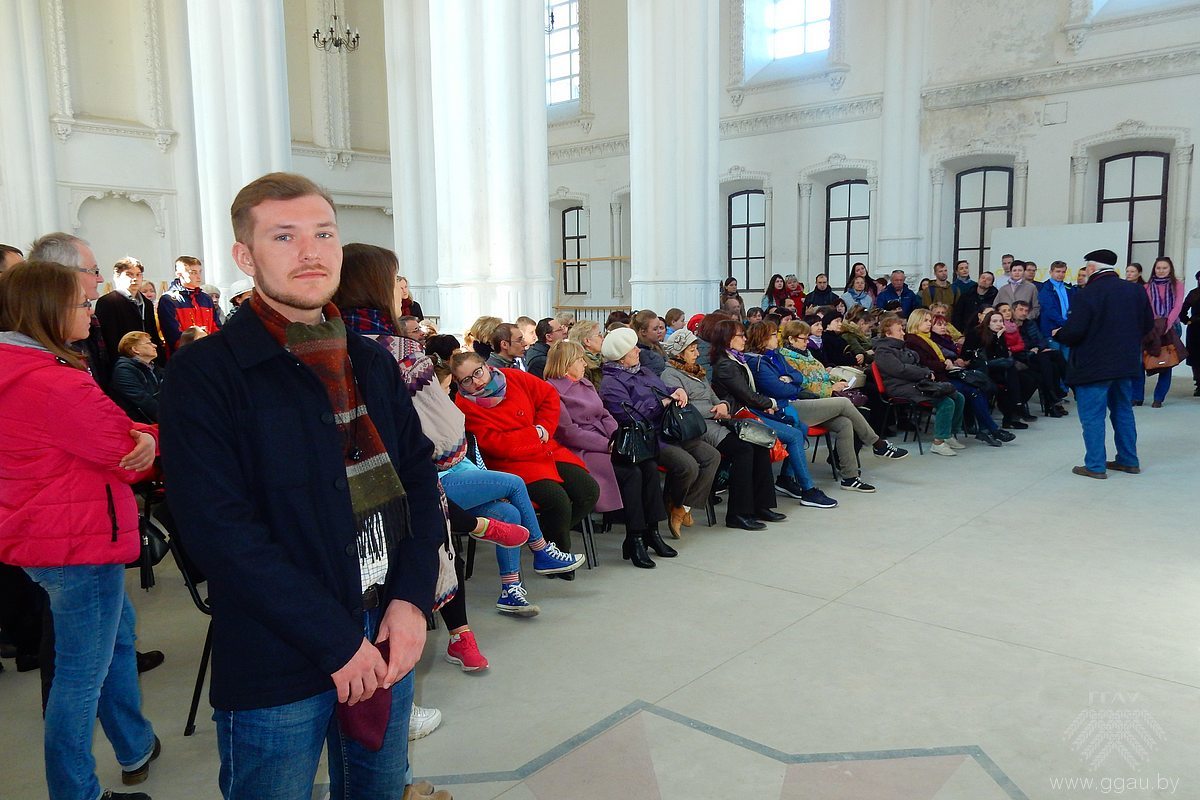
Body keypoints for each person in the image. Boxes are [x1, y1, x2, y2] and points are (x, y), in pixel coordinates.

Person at [160, 172, 446, 800]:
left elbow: (419, 482)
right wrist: (334, 639)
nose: (310, 251)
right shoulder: (206, 374)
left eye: (323, 234)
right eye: (284, 236)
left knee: (378, 786)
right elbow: (220, 533)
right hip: (279, 647)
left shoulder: (369, 361)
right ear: (245, 256)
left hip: (385, 628)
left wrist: (410, 599)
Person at [0, 260, 160, 800]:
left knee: (112, 645)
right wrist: (153, 442)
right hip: (78, 542)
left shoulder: (15, 368)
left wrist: (140, 437)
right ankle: (77, 793)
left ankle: (135, 744)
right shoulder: (54, 383)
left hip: (45, 536)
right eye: (82, 304)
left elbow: (113, 432)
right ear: (47, 311)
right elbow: (125, 453)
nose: (92, 314)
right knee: (78, 680)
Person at [452, 351, 599, 555]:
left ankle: (545, 540)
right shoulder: (464, 404)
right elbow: (495, 444)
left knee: (589, 491)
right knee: (557, 501)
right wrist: (533, 434)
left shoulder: (512, 377)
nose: (476, 382)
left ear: (486, 366)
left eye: (478, 372)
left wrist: (543, 428)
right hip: (511, 464)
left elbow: (548, 396)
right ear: (458, 382)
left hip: (546, 449)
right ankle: (556, 552)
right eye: (466, 380)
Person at [547, 341, 676, 567]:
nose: (584, 363)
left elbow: (605, 414)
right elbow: (569, 433)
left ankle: (651, 531)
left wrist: (616, 437)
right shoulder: (553, 391)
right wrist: (607, 444)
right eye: (579, 360)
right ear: (565, 364)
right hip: (581, 449)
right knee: (631, 473)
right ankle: (634, 537)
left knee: (648, 465)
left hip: (606, 440)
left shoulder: (584, 382)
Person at [745, 322, 907, 491]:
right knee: (844, 403)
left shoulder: (777, 355)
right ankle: (878, 444)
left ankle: (850, 478)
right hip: (789, 406)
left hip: (802, 401)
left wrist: (791, 380)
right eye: (772, 334)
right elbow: (782, 388)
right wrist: (796, 384)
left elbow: (797, 377)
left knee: (845, 423)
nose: (776, 337)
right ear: (762, 339)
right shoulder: (762, 361)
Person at [598, 328, 723, 535]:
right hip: (648, 437)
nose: (638, 350)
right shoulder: (612, 384)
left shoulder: (642, 371)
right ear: (621, 358)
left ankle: (682, 507)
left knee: (712, 456)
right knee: (688, 465)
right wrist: (664, 402)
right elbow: (631, 417)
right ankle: (674, 503)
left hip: (670, 429)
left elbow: (663, 389)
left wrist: (677, 391)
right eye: (632, 349)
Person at [708, 319, 838, 510]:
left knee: (800, 427)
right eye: (740, 336)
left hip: (750, 409)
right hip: (739, 416)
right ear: (727, 339)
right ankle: (808, 490)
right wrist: (771, 403)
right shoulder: (727, 365)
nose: (744, 338)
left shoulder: (737, 359)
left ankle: (786, 478)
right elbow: (747, 395)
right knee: (794, 434)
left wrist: (770, 401)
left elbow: (794, 379)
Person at [659, 329, 783, 530]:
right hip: (697, 427)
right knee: (743, 450)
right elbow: (682, 407)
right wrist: (715, 410)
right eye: (691, 350)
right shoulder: (670, 375)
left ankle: (762, 505)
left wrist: (723, 404)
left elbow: (714, 397)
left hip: (716, 420)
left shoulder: (696, 371)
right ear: (679, 353)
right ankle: (738, 514)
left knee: (759, 444)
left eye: (696, 349)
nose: (697, 353)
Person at [1052, 249, 1154, 479]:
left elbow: (1076, 331)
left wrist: (1059, 334)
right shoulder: (1135, 290)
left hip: (1094, 366)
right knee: (1123, 411)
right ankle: (1129, 460)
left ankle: (1095, 466)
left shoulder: (1089, 293)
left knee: (1093, 415)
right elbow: (1148, 325)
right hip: (1126, 363)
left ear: (1091, 268)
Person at [904, 310, 1010, 447]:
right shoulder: (913, 340)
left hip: (945, 373)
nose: (929, 324)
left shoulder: (926, 338)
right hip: (932, 379)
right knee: (974, 389)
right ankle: (990, 429)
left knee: (978, 386)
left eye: (930, 321)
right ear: (916, 321)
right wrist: (945, 364)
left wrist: (947, 363)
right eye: (926, 321)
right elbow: (923, 362)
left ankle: (987, 429)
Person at [874, 315, 965, 457]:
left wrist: (925, 372)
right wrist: (925, 373)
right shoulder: (883, 351)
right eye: (899, 330)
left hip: (915, 383)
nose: (903, 333)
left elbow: (914, 366)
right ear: (888, 333)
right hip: (900, 387)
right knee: (945, 402)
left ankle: (948, 434)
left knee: (958, 397)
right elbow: (900, 370)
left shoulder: (902, 348)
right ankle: (938, 443)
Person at [94, 257, 165, 365]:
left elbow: (153, 334)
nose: (135, 279)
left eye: (138, 274)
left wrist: (160, 361)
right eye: (129, 274)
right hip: (124, 361)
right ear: (117, 277)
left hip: (148, 360)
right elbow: (109, 339)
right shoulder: (107, 302)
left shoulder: (147, 303)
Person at [1136, 256, 1186, 408]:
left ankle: (1158, 398)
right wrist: (1154, 323)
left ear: (1170, 269)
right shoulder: (1147, 286)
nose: (1161, 271)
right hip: (1150, 327)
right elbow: (1146, 307)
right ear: (1154, 269)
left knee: (1167, 360)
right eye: (1158, 268)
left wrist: (1167, 324)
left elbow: (1178, 306)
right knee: (1141, 362)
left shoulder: (1177, 284)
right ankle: (1137, 397)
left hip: (1171, 327)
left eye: (1164, 268)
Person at [157, 255, 220, 354]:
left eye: (200, 272)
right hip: (183, 355)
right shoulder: (168, 300)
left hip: (209, 353)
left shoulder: (206, 298)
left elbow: (216, 327)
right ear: (179, 274)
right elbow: (173, 336)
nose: (199, 276)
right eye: (193, 272)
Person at [110, 332, 163, 423]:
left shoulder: (153, 367)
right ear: (135, 349)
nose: (155, 346)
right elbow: (143, 401)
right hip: (141, 424)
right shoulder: (124, 371)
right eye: (149, 343)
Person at [567, 319, 605, 390]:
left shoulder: (603, 359)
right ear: (587, 341)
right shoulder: (580, 365)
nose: (603, 338)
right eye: (599, 335)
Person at [1180, 270, 1200, 395]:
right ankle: (1199, 384)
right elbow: (1183, 310)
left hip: (1195, 327)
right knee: (1196, 358)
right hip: (1196, 329)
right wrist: (1186, 321)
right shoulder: (1194, 294)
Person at [632, 309, 668, 375]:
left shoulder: (656, 346)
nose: (659, 331)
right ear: (643, 332)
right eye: (655, 329)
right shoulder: (643, 354)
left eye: (660, 328)